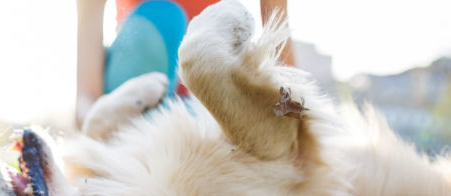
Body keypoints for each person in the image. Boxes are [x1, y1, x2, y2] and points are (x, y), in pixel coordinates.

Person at [76, 0, 294, 126]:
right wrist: (99, 124)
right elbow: (86, 96)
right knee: (165, 18)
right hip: (131, 95)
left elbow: (283, 64)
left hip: (210, 101)